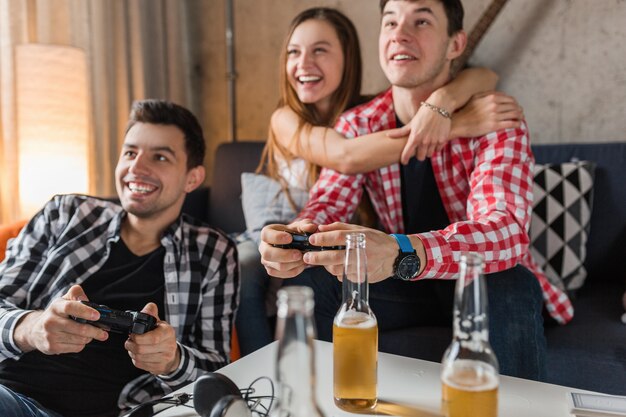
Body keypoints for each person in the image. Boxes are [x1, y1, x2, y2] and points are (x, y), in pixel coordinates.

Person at [259, 0, 573, 381]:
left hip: (478, 282)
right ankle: (312, 401)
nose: (400, 34)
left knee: (510, 280)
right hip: (405, 285)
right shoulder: (359, 123)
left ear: (455, 45)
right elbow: (328, 202)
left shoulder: (493, 117)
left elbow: (506, 231)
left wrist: (402, 251)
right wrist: (295, 238)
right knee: (310, 278)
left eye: (420, 21)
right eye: (390, 22)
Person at [0, 100, 239, 417]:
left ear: (192, 179)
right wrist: (33, 328)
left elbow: (218, 373)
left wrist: (172, 361)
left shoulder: (213, 253)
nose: (137, 167)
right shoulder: (65, 214)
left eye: (160, 157)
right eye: (130, 152)